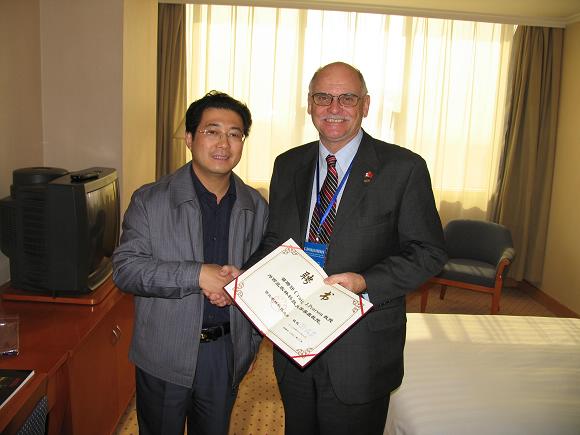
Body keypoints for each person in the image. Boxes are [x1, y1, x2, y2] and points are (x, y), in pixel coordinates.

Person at [245, 62, 447, 434]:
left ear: (365, 105)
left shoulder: (403, 168)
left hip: (361, 348)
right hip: (295, 341)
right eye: (323, 97)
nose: (334, 108)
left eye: (347, 98)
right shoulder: (288, 164)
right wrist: (245, 279)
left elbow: (428, 252)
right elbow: (276, 241)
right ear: (309, 104)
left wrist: (364, 281)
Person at [112, 91, 268, 435]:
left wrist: (250, 343)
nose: (223, 143)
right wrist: (196, 275)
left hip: (224, 352)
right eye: (212, 131)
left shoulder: (255, 206)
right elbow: (125, 269)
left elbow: (262, 275)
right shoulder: (151, 200)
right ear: (189, 138)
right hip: (164, 350)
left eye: (234, 134)